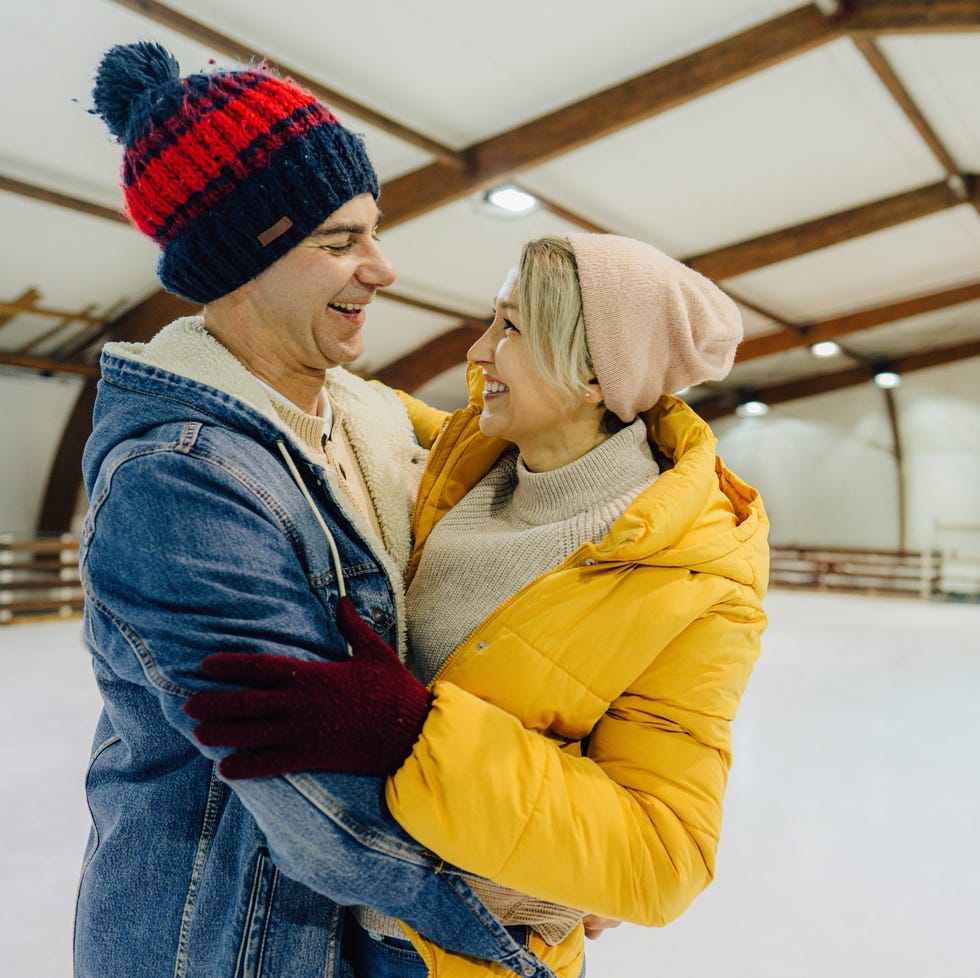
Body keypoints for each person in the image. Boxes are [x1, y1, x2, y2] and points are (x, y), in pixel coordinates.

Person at [76, 41, 555, 978]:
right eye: (339, 241)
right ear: (240, 263)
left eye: (372, 231)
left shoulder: (366, 416)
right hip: (219, 942)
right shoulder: (176, 480)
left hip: (349, 939)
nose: (380, 266)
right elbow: (308, 789)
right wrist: (523, 888)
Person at [185, 233, 771, 977]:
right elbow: (343, 403)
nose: (477, 351)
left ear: (595, 372)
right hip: (336, 925)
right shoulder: (470, 464)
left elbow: (661, 856)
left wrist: (411, 733)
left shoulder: (689, 577)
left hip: (474, 951)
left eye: (511, 328)